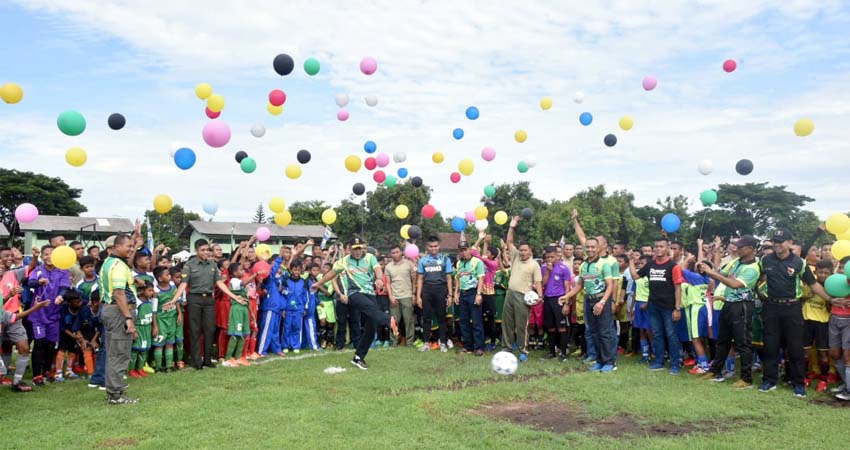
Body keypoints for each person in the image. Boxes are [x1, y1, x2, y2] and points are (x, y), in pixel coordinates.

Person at [758, 229, 831, 397]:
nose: (777, 244)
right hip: (771, 308)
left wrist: (830, 299)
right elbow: (759, 279)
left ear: (790, 243)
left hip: (792, 308)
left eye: (781, 241)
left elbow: (813, 284)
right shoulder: (765, 260)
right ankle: (769, 381)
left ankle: (798, 384)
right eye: (775, 241)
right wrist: (758, 291)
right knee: (770, 345)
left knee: (795, 348)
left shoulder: (799, 263)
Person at [313, 238, 397, 370]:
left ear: (363, 248)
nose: (357, 251)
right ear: (349, 249)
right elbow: (331, 273)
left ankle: (358, 357)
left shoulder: (370, 257)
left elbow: (377, 270)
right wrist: (318, 283)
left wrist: (379, 279)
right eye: (354, 248)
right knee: (370, 309)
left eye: (359, 248)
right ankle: (388, 320)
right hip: (354, 293)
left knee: (372, 325)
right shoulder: (344, 261)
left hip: (370, 293)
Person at [171, 239, 245, 370]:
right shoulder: (189, 265)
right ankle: (196, 361)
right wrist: (174, 299)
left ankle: (207, 359)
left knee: (210, 330)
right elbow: (183, 284)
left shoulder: (212, 264)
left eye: (207, 249)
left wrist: (234, 296)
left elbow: (219, 283)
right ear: (196, 251)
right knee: (195, 331)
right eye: (202, 250)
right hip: (194, 299)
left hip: (209, 301)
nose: (205, 252)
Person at [698, 235, 760, 389]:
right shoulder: (735, 262)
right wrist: (707, 268)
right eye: (736, 246)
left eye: (741, 247)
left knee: (742, 343)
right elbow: (722, 273)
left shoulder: (753, 268)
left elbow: (734, 284)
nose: (736, 249)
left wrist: (712, 273)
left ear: (751, 249)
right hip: (728, 304)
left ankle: (746, 379)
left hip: (742, 306)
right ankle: (715, 372)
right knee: (722, 340)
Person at [98, 234, 139, 404]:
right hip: (119, 313)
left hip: (110, 310)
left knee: (113, 353)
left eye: (132, 246)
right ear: (116, 247)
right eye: (128, 246)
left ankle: (114, 391)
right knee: (119, 354)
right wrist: (128, 318)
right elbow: (119, 293)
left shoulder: (109, 262)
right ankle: (116, 395)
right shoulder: (119, 266)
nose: (131, 249)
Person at [565, 238, 615, 372]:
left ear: (598, 248)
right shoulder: (583, 265)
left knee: (604, 332)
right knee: (593, 332)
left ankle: (609, 362)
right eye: (588, 247)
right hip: (588, 300)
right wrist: (567, 296)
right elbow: (580, 285)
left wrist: (602, 302)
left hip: (601, 301)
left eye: (593, 247)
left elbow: (610, 285)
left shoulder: (603, 264)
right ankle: (599, 361)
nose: (590, 249)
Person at [28, 245, 71, 385]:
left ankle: (46, 371)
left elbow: (65, 287)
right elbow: (30, 282)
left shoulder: (63, 271)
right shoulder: (38, 270)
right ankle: (36, 375)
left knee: (51, 345)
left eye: (52, 254)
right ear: (41, 256)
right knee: (39, 344)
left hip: (54, 314)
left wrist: (61, 296)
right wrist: (38, 282)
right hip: (38, 315)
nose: (49, 257)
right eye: (46, 254)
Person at [502, 216, 542, 362]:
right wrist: (512, 226)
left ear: (530, 251)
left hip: (523, 297)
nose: (523, 252)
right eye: (521, 250)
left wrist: (540, 296)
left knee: (521, 326)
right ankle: (507, 348)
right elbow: (509, 242)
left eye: (525, 250)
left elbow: (537, 282)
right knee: (507, 323)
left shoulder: (534, 265)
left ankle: (523, 350)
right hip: (510, 294)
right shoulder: (515, 257)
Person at [0, 298, 50, 391]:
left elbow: (15, 317)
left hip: (12, 313)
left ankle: (17, 383)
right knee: (1, 371)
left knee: (24, 348)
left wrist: (35, 307)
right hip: (7, 316)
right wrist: (35, 308)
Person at [416, 236, 454, 352]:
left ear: (439, 246)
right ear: (428, 247)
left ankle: (442, 343)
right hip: (427, 290)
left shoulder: (445, 259)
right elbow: (420, 279)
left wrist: (450, 295)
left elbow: (448, 278)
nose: (433, 248)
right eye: (431, 246)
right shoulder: (423, 260)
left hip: (440, 290)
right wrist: (418, 296)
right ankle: (426, 342)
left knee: (441, 317)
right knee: (426, 317)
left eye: (435, 246)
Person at [802, 260, 835, 392]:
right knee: (805, 352)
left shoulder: (832, 287)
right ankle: (806, 377)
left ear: (831, 273)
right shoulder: (809, 284)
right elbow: (800, 298)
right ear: (815, 272)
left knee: (823, 353)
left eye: (826, 273)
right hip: (807, 321)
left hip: (823, 323)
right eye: (820, 272)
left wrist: (826, 296)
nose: (822, 275)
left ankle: (823, 379)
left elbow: (830, 307)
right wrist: (806, 296)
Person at [454, 242, 486, 356]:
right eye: (461, 250)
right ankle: (468, 347)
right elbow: (457, 278)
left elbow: (481, 278)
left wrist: (478, 294)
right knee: (463, 321)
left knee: (476, 321)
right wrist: (456, 293)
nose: (463, 252)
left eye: (465, 249)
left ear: (470, 250)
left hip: (473, 292)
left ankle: (479, 347)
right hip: (463, 294)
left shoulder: (477, 262)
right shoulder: (459, 263)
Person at [540, 246, 571, 361]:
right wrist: (548, 271)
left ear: (557, 256)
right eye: (548, 257)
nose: (550, 259)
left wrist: (566, 303)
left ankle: (563, 353)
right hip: (548, 299)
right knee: (551, 327)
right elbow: (542, 284)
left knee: (562, 328)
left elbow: (567, 287)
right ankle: (552, 352)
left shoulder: (564, 268)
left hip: (560, 299)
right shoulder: (543, 268)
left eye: (552, 257)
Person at [384, 245, 416, 347]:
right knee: (394, 321)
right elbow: (388, 283)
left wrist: (413, 294)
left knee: (409, 321)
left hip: (407, 295)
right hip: (394, 297)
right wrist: (390, 296)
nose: (395, 254)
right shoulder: (388, 267)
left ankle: (410, 342)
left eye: (397, 252)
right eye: (393, 253)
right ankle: (394, 342)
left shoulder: (409, 264)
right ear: (390, 254)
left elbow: (414, 279)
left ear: (401, 252)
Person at [55, 289, 89, 381]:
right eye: (77, 302)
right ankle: (58, 373)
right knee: (62, 350)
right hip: (64, 332)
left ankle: (69, 370)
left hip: (76, 331)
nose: (80, 303)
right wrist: (72, 335)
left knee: (73, 351)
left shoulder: (83, 305)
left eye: (80, 300)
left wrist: (78, 335)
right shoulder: (64, 309)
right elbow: (62, 326)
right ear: (70, 303)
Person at [829, 256, 850, 401]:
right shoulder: (835, 282)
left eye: (845, 267)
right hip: (834, 319)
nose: (842, 270)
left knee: (848, 357)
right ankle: (845, 383)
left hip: (848, 321)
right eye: (840, 267)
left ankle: (849, 391)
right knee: (835, 353)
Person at [222, 263, 250, 367]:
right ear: (234, 273)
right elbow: (245, 282)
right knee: (235, 335)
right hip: (237, 309)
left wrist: (250, 312)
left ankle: (238, 358)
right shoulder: (234, 281)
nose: (243, 271)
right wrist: (256, 274)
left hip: (243, 309)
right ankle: (227, 359)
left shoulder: (239, 282)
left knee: (242, 335)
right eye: (241, 269)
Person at [151, 266, 179, 372]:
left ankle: (169, 366)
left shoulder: (172, 287)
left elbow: (176, 301)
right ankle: (158, 367)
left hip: (171, 319)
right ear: (160, 278)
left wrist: (179, 313)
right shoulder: (156, 291)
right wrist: (155, 325)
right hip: (161, 321)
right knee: (159, 344)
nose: (170, 276)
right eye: (167, 274)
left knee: (170, 343)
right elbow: (154, 311)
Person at [129, 282, 157, 378]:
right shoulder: (137, 302)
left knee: (145, 350)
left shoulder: (152, 301)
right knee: (136, 349)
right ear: (142, 291)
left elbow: (154, 313)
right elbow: (132, 317)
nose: (152, 292)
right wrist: (134, 331)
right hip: (139, 328)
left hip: (147, 328)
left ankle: (140, 368)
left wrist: (155, 326)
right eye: (149, 290)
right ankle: (131, 369)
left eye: (152, 290)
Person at [282, 259, 309, 353]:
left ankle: (295, 345)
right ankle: (286, 345)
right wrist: (283, 309)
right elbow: (283, 295)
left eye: (298, 270)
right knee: (287, 327)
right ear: (291, 270)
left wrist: (305, 308)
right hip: (288, 309)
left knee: (297, 327)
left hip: (299, 309)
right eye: (294, 269)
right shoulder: (286, 281)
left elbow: (306, 295)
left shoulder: (303, 282)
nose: (296, 272)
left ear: (301, 270)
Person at [630, 255, 652, 362]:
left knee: (649, 331)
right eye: (639, 264)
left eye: (643, 264)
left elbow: (654, 292)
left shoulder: (651, 276)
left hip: (648, 305)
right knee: (641, 330)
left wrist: (647, 303)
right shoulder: (638, 277)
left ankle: (656, 353)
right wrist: (632, 307)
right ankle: (645, 355)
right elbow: (634, 293)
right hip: (638, 304)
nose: (641, 266)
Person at [315, 262, 337, 349]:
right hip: (320, 303)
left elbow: (329, 293)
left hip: (329, 303)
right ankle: (322, 340)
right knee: (322, 321)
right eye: (323, 267)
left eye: (326, 268)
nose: (324, 269)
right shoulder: (318, 277)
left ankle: (330, 341)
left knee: (330, 324)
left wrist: (319, 285)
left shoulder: (332, 280)